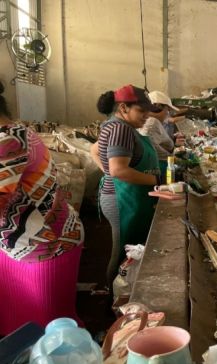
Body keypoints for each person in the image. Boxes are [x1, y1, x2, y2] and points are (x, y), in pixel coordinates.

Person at [0, 81, 85, 335]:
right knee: (19, 327)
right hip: (19, 244)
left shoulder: (9, 141)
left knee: (54, 334)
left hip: (46, 245)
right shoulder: (17, 131)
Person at [91, 84, 160, 285]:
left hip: (125, 194)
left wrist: (107, 172)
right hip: (122, 199)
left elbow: (94, 150)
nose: (146, 115)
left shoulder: (116, 126)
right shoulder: (120, 129)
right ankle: (112, 294)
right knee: (123, 250)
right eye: (141, 110)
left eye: (148, 111)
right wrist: (158, 181)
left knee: (128, 247)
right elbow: (118, 170)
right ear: (123, 108)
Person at [139, 90, 180, 179]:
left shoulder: (150, 121)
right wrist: (170, 157)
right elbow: (148, 144)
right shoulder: (152, 122)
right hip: (158, 168)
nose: (167, 113)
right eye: (167, 110)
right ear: (158, 107)